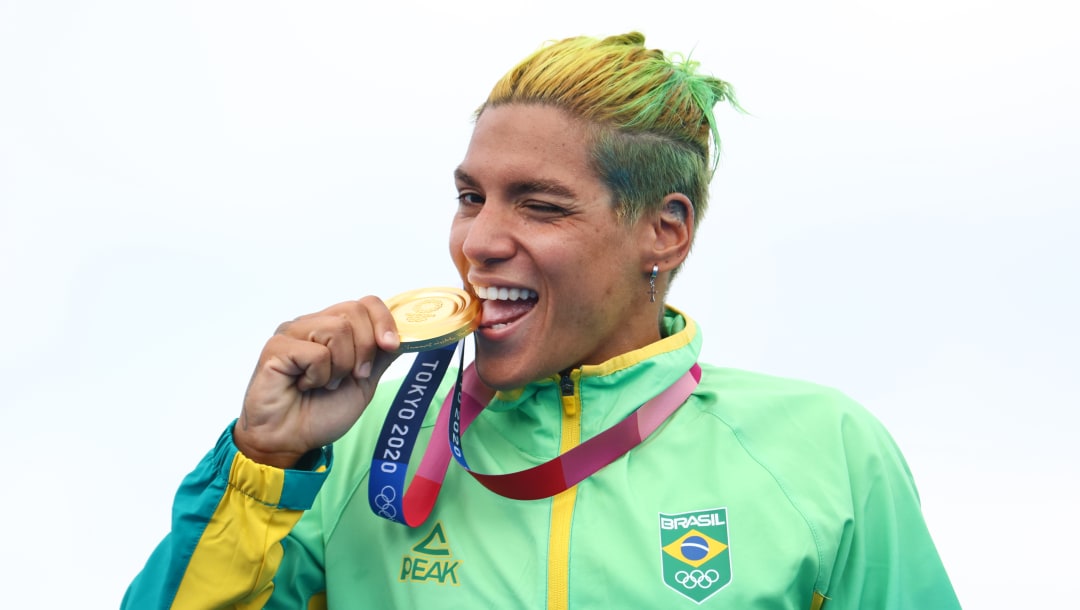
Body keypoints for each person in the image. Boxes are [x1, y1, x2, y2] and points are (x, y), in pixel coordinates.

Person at [124, 32, 960, 609]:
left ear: (663, 230)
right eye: (469, 198)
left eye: (540, 206)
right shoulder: (345, 451)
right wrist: (265, 462)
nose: (479, 241)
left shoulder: (827, 453)